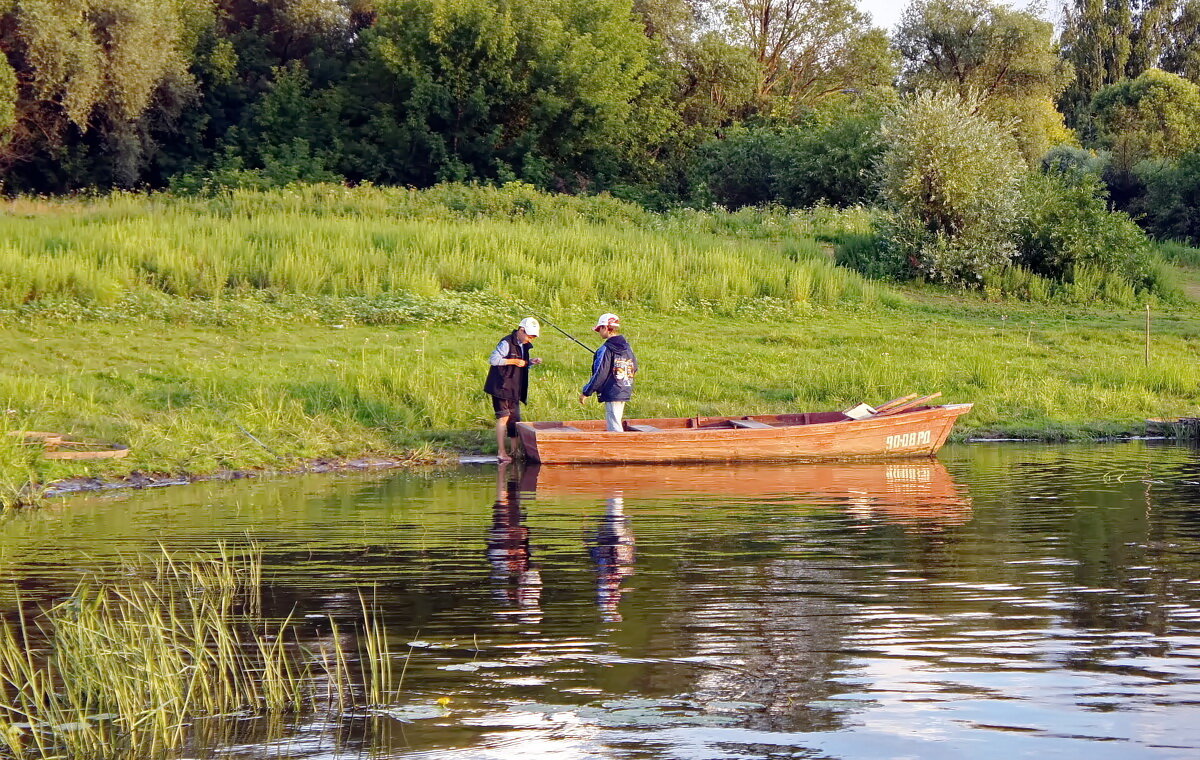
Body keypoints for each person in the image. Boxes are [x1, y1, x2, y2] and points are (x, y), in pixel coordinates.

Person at [484, 317, 542, 462]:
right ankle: (501, 452)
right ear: (521, 330)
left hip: (514, 388)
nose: (531, 339)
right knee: (503, 417)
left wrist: (530, 363)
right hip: (500, 386)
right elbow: (494, 359)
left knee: (515, 420)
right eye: (529, 336)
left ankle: (515, 452)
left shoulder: (525, 345)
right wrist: (514, 361)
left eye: (533, 337)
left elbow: (521, 365)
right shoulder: (506, 342)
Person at [578, 312, 637, 432]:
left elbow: (600, 373)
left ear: (605, 328)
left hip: (612, 390)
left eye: (599, 329)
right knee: (616, 418)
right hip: (625, 388)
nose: (599, 332)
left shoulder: (605, 349)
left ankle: (618, 448)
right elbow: (634, 367)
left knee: (614, 423)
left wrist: (586, 392)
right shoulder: (627, 347)